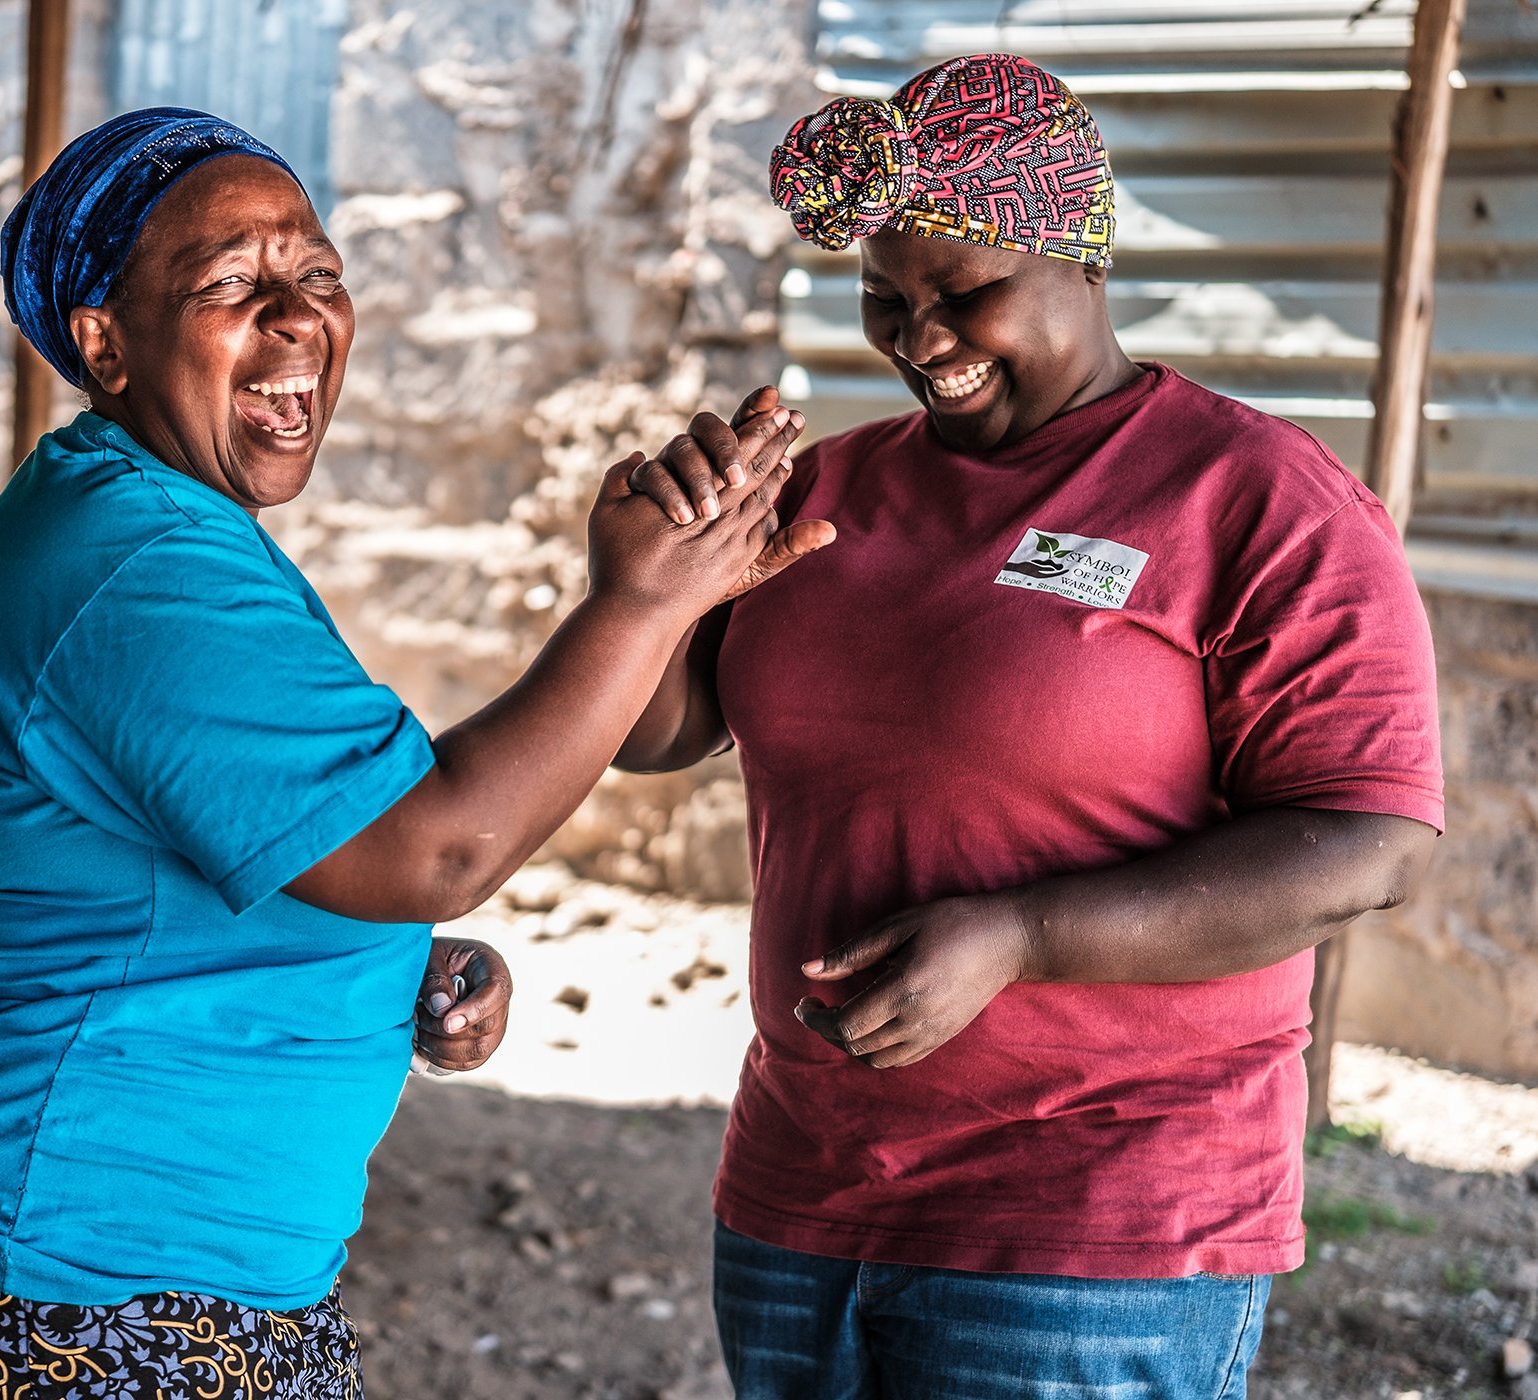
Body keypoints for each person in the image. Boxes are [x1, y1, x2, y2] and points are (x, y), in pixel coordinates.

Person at [0, 108, 823, 1400]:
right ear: (104, 343)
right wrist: (640, 606)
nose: (296, 319)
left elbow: (310, 842)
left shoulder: (160, 526)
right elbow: (437, 842)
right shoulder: (135, 576)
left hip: (119, 1270)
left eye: (318, 275)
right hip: (54, 1290)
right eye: (231, 284)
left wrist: (385, 963)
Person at [616, 53, 1443, 1400]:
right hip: (801, 1196)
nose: (920, 337)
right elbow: (665, 733)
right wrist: (643, 583)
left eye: (968, 292)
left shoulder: (1253, 500)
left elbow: (1371, 844)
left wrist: (1029, 935)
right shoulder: (832, 489)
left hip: (1094, 1223)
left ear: (1085, 255)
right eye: (887, 298)